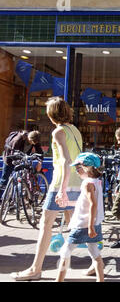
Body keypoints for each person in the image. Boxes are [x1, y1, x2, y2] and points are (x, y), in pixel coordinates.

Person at [10, 97, 83, 281]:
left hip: (61, 183)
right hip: (77, 181)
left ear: (52, 114)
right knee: (75, 225)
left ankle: (36, 269)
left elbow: (66, 160)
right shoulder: (75, 130)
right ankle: (95, 261)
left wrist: (62, 190)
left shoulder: (58, 132)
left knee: (45, 224)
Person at [55, 152, 105, 282]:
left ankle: (58, 280)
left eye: (78, 168)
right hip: (94, 224)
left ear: (87, 168)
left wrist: (89, 227)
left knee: (65, 252)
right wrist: (67, 203)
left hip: (84, 225)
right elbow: (86, 203)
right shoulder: (97, 182)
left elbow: (93, 204)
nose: (77, 172)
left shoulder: (87, 183)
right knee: (95, 253)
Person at [0, 130, 44, 198]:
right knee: (4, 180)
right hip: (9, 158)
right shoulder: (18, 139)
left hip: (22, 158)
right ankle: (1, 199)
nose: (33, 144)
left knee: (21, 178)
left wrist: (40, 162)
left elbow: (40, 152)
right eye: (32, 142)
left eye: (35, 143)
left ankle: (17, 198)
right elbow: (12, 152)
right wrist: (17, 163)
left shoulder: (35, 140)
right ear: (29, 138)